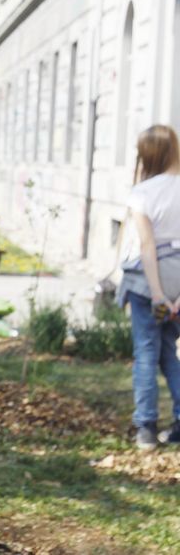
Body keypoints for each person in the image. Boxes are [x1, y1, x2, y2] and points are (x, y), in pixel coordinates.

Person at [118, 124, 180, 450]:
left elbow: (146, 246)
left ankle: (146, 428)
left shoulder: (143, 192)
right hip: (178, 279)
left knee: (146, 352)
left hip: (149, 283)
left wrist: (157, 294)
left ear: (148, 154)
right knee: (169, 352)